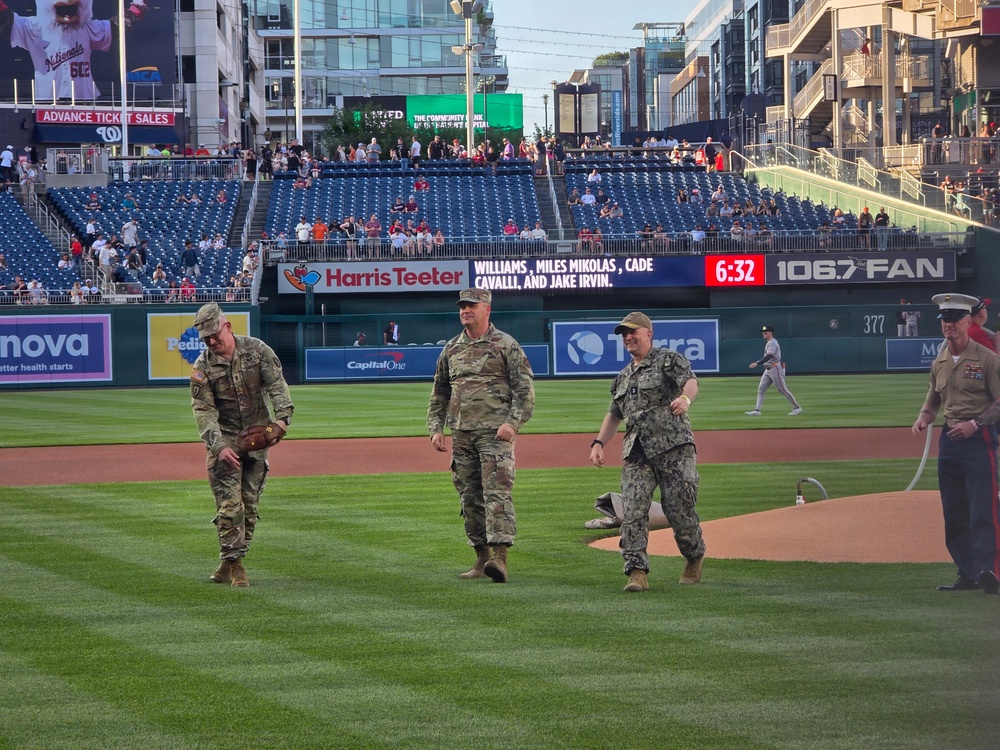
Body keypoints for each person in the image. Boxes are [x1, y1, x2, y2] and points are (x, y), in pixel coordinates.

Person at [588, 312, 706, 592]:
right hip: (637, 452)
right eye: (623, 334)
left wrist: (685, 398)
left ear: (648, 334)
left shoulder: (668, 360)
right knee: (632, 510)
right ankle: (637, 571)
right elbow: (614, 415)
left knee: (679, 510)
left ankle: (694, 555)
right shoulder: (622, 377)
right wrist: (598, 443)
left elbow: (691, 382)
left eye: (633, 332)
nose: (628, 337)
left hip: (674, 447)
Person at [427, 288, 535, 582]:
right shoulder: (452, 348)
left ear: (487, 309)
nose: (465, 311)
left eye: (471, 306)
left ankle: (500, 558)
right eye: (462, 307)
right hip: (462, 436)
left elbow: (525, 392)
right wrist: (436, 428)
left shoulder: (506, 345)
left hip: (495, 435)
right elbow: (440, 392)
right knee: (469, 498)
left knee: (497, 495)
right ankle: (481, 557)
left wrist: (512, 423)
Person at [190, 302, 294, 588]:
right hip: (224, 445)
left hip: (257, 441)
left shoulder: (257, 350)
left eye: (215, 335)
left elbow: (277, 386)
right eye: (206, 339)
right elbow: (203, 412)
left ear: (228, 327)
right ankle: (236, 566)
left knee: (249, 508)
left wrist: (283, 420)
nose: (212, 342)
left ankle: (228, 561)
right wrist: (219, 446)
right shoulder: (202, 367)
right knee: (229, 506)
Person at [912, 293, 1000, 594]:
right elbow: (933, 400)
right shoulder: (941, 361)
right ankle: (968, 572)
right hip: (949, 440)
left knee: (983, 507)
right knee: (955, 509)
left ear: (968, 320)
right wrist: (924, 417)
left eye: (954, 319)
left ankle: (991, 571)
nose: (948, 325)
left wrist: (975, 424)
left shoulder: (988, 359)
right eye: (944, 320)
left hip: (979, 439)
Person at [745, 325, 803, 416]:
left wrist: (757, 363)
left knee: (782, 389)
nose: (763, 333)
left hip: (775, 368)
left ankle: (797, 407)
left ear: (770, 333)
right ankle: (757, 410)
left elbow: (769, 356)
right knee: (761, 389)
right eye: (763, 332)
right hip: (768, 369)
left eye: (765, 332)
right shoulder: (769, 342)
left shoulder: (772, 342)